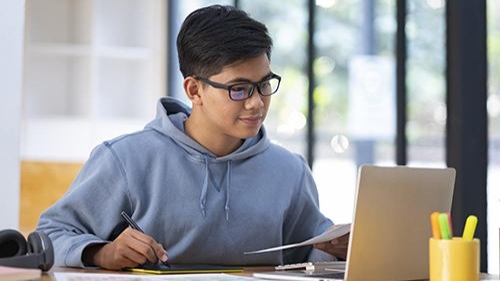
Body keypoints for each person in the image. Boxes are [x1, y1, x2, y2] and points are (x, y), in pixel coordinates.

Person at [36, 4, 348, 270]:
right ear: (194, 90)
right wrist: (101, 252)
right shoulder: (126, 159)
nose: (256, 102)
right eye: (239, 89)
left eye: (265, 84)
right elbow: (51, 234)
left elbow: (307, 258)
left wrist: (338, 248)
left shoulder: (289, 171)